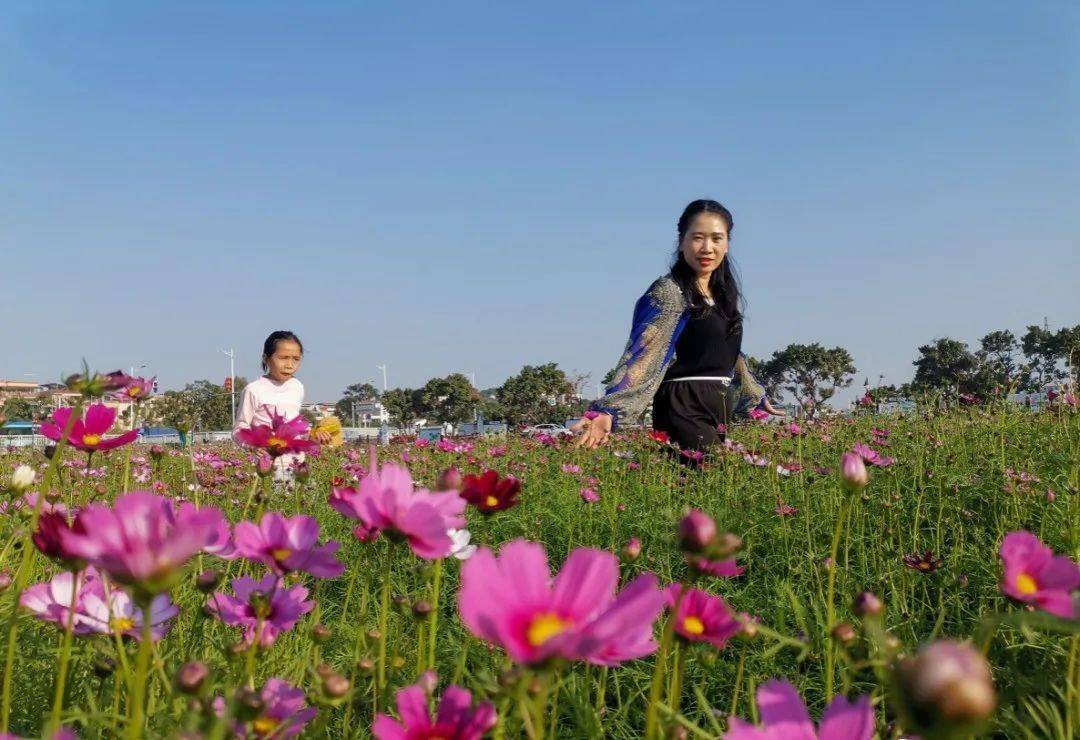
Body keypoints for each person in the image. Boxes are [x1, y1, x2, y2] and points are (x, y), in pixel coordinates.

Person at [572, 199, 783, 458]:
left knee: (703, 489)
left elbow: (725, 352)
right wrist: (609, 411)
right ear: (681, 240)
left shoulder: (722, 296)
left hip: (717, 405)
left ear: (727, 244)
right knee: (715, 473)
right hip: (683, 405)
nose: (707, 248)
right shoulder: (670, 293)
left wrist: (753, 392)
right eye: (697, 238)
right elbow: (642, 353)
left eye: (717, 239)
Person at [233, 330, 332, 477]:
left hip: (297, 464)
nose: (290, 365)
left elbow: (295, 428)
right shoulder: (253, 390)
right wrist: (254, 446)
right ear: (266, 359)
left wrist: (314, 437)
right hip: (268, 467)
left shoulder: (297, 386)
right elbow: (239, 429)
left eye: (296, 359)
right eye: (283, 358)